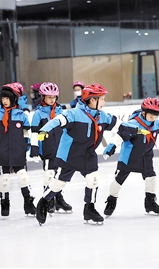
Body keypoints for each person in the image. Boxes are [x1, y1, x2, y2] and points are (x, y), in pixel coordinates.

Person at [35, 83, 118, 226]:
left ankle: (89, 209)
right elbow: (57, 121)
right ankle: (44, 201)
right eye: (102, 99)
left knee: (94, 179)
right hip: (69, 155)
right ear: (93, 100)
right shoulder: (73, 114)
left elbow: (120, 124)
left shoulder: (102, 116)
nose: (104, 102)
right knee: (59, 183)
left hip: (88, 155)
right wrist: (44, 130)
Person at [102, 97, 159, 217]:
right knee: (119, 179)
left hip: (146, 156)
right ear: (144, 113)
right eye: (151, 116)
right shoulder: (132, 125)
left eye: (155, 116)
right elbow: (120, 136)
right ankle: (111, 201)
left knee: (151, 177)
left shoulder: (156, 124)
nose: (153, 118)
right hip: (129, 156)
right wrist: (111, 146)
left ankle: (150, 202)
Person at [0, 83, 36, 217]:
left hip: (17, 150)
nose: (4, 101)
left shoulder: (21, 114)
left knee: (23, 176)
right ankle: (4, 202)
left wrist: (26, 143)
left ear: (14, 98)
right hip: (2, 151)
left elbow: (26, 131)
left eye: (7, 98)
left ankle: (28, 202)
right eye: (2, 98)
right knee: (5, 178)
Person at [30, 82, 72, 214]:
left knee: (58, 175)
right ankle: (48, 200)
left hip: (60, 148)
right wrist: (35, 149)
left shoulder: (60, 111)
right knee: (49, 174)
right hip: (47, 149)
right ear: (42, 97)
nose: (52, 99)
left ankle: (58, 198)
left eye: (54, 97)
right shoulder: (38, 114)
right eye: (49, 97)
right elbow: (35, 133)